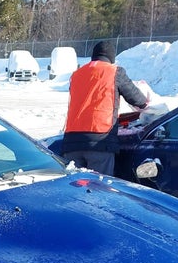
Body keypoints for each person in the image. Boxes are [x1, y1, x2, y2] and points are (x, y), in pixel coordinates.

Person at [61, 41, 148, 175]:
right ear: (111, 58)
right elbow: (138, 100)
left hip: (71, 142)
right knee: (99, 190)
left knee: (77, 190)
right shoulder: (114, 72)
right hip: (100, 141)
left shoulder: (76, 74)